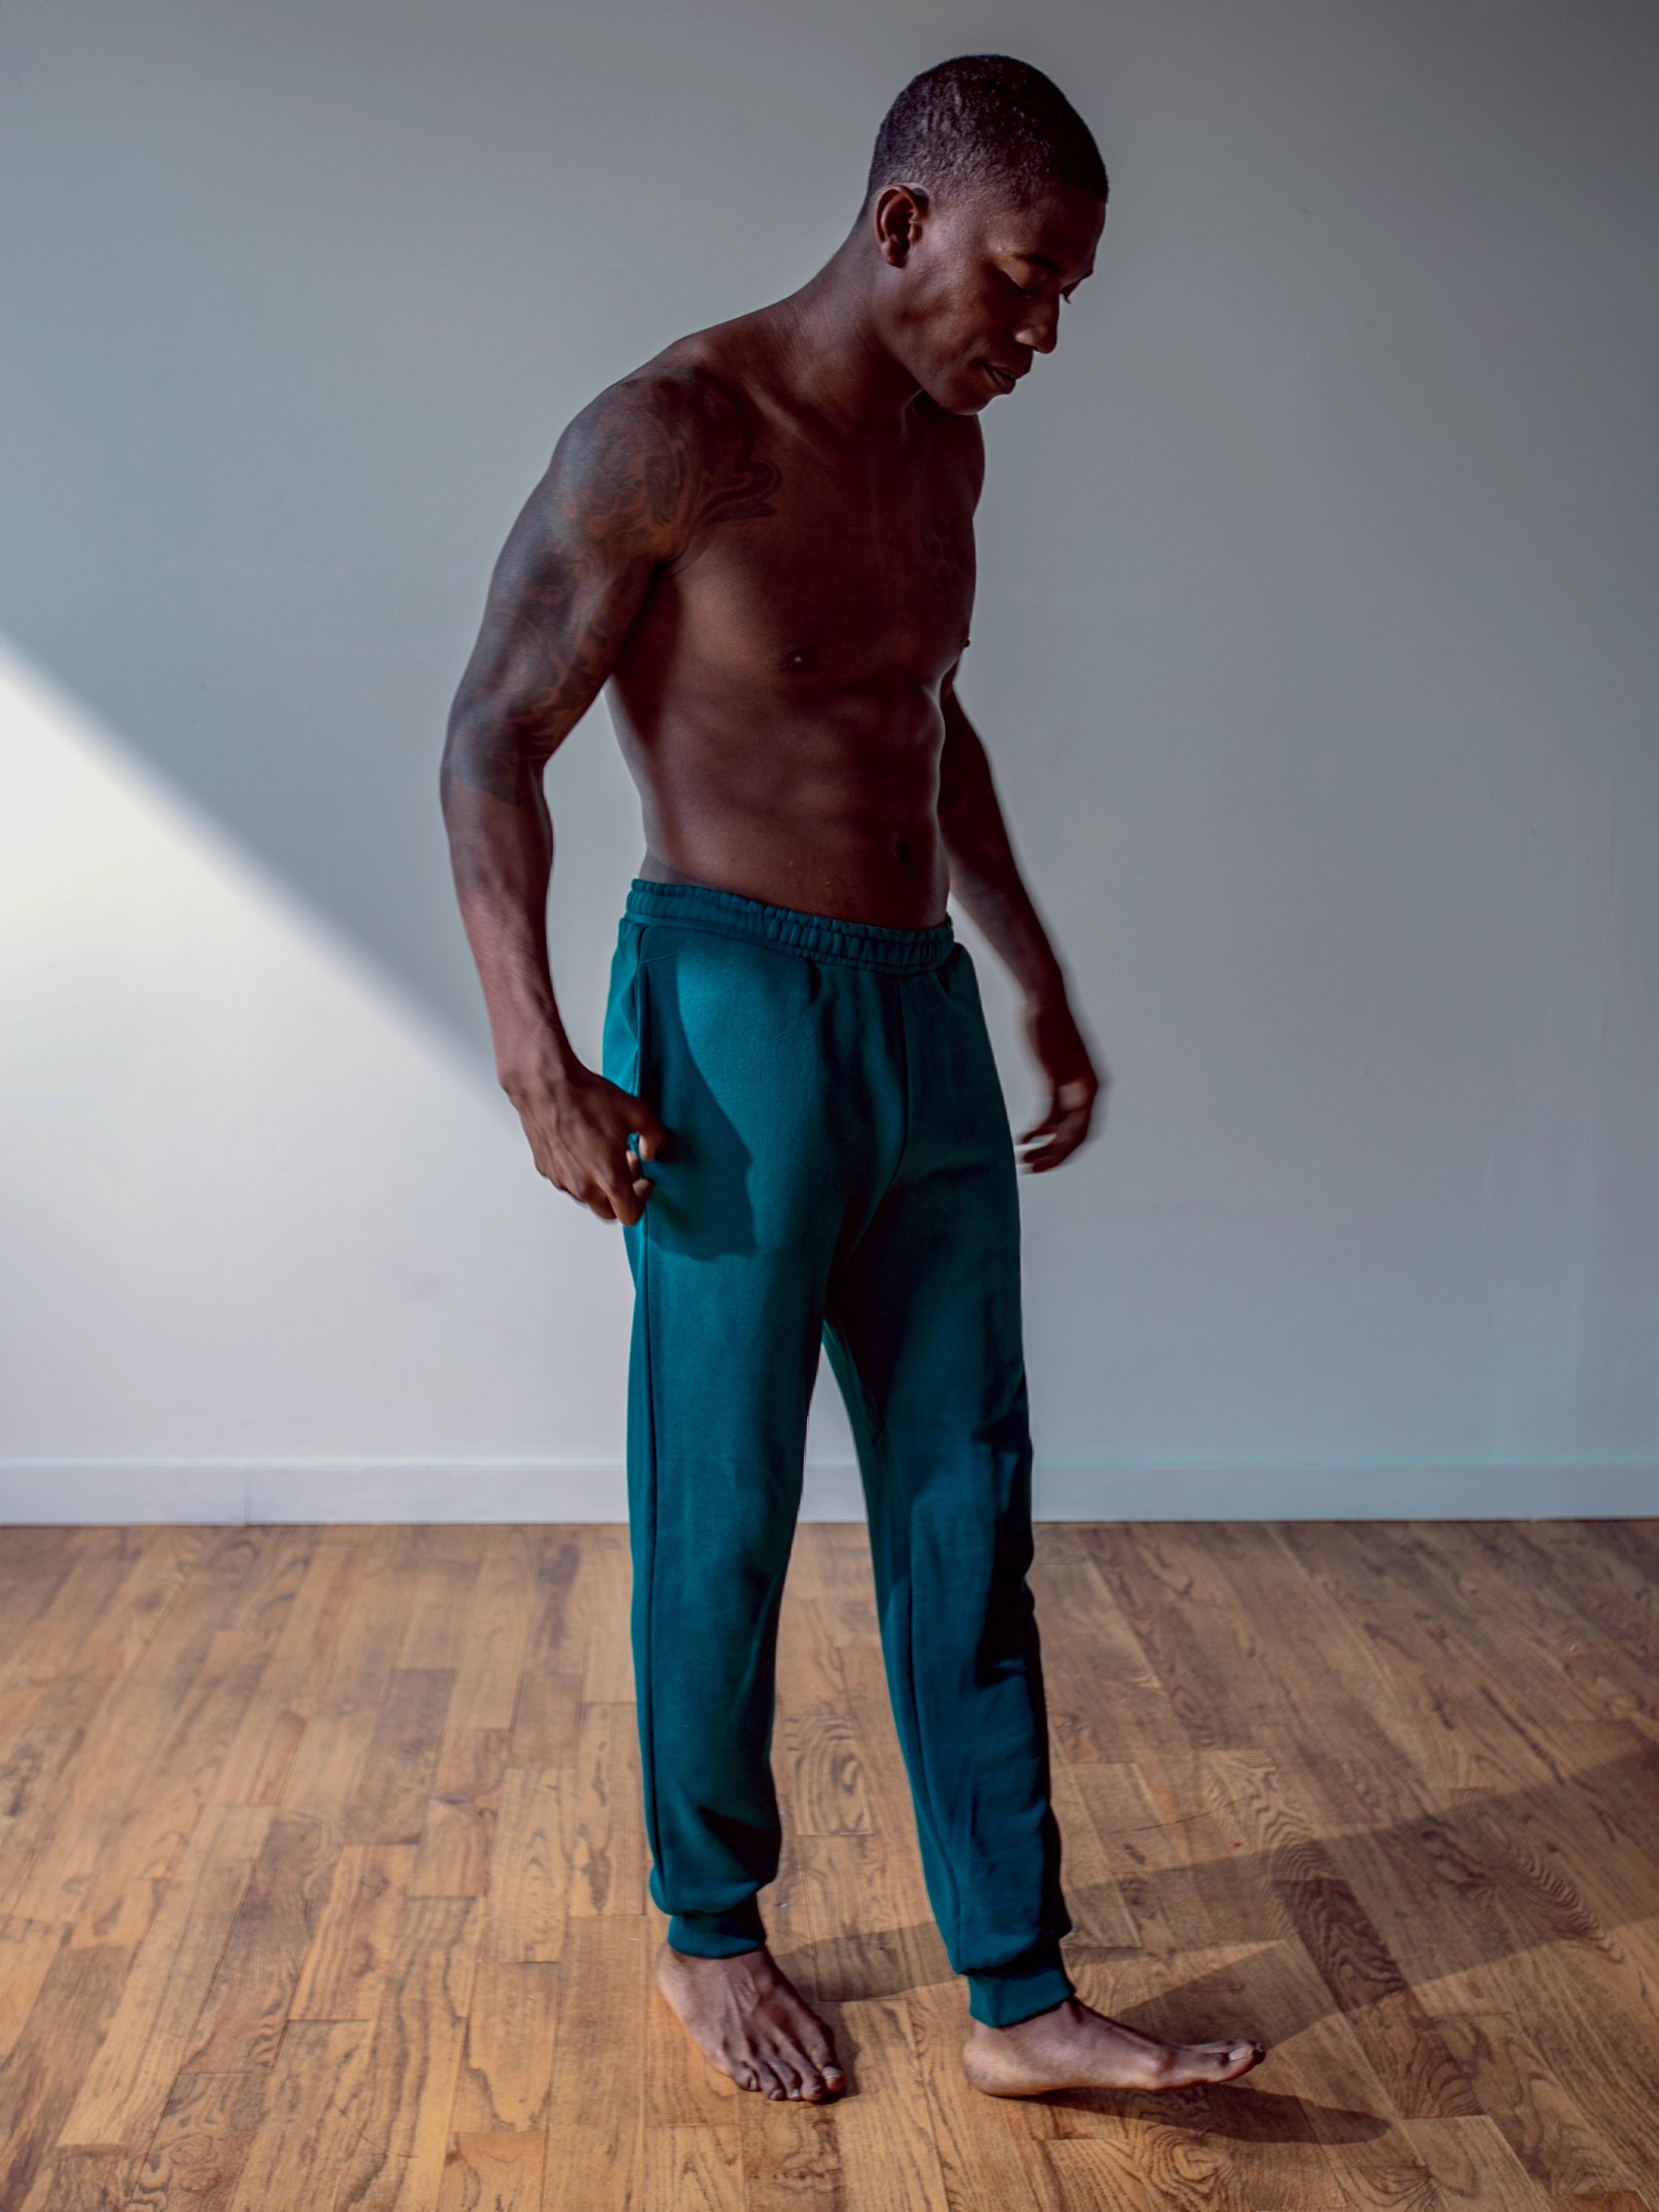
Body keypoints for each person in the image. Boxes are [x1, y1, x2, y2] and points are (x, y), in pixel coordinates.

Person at [442, 53, 1265, 2105]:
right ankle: (707, 1936)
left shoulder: (946, 459)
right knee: (717, 1509)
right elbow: (486, 739)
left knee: (964, 1504)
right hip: (726, 1005)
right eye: (1025, 276)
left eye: (1066, 289)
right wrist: (538, 1058)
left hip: (916, 1019)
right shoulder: (671, 433)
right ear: (902, 225)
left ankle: (1020, 1992)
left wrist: (1036, 970)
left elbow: (926, 719)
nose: (1044, 330)